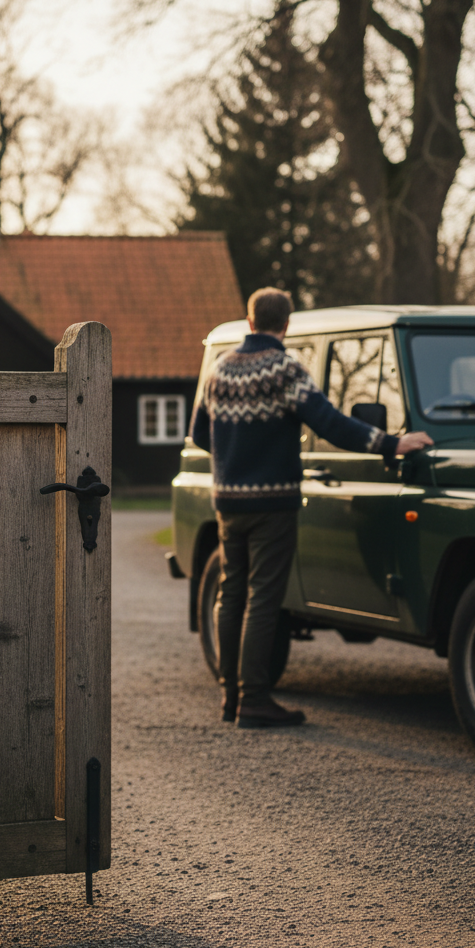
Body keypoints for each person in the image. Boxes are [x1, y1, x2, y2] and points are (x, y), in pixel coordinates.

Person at [189, 288, 434, 728]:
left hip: (227, 502)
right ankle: (254, 700)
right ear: (286, 325)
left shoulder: (220, 368)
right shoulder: (285, 369)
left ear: (250, 322)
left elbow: (201, 434)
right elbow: (330, 424)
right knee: (264, 597)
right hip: (272, 504)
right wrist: (390, 443)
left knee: (231, 592)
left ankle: (230, 697)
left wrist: (235, 457)